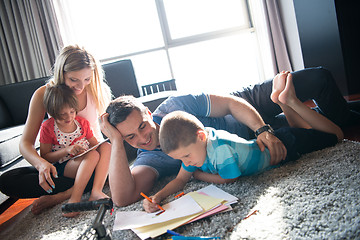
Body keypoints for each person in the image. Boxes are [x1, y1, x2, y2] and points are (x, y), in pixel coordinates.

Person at [100, 67, 357, 208]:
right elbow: (122, 198)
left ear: (147, 112)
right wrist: (116, 141)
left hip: (249, 110)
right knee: (337, 126)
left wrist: (262, 129)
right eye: (130, 137)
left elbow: (232, 104)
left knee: (320, 79)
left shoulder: (174, 106)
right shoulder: (150, 157)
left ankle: (301, 107)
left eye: (143, 127)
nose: (143, 139)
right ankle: (327, 116)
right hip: (252, 144)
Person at [0, 45, 112, 215]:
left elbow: (106, 131)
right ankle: (89, 184)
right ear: (62, 73)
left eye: (86, 79)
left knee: (111, 155)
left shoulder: (96, 89)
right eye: (74, 80)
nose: (81, 86)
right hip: (63, 164)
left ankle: (61, 196)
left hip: (93, 157)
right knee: (8, 180)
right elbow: (25, 143)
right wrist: (41, 164)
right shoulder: (44, 94)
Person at [40, 84, 109, 217]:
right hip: (65, 165)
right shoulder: (48, 127)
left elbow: (95, 144)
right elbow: (45, 157)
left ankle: (96, 191)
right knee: (93, 155)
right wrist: (67, 150)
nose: (69, 117)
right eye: (62, 114)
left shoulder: (82, 123)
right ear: (53, 113)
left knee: (106, 147)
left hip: (86, 160)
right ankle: (74, 200)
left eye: (72, 112)